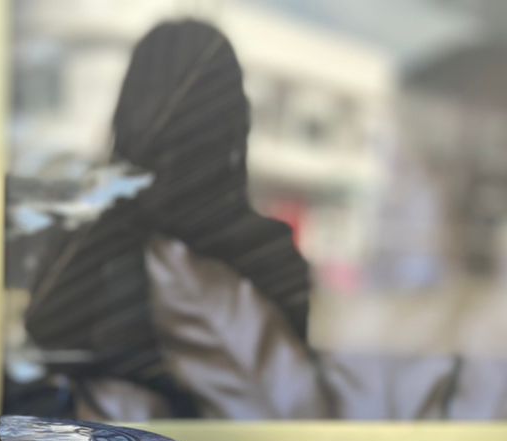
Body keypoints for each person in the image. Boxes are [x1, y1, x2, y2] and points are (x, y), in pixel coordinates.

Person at [23, 18, 315, 418]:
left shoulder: (87, 244)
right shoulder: (269, 252)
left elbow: (43, 346)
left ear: (129, 115)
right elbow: (285, 396)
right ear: (236, 121)